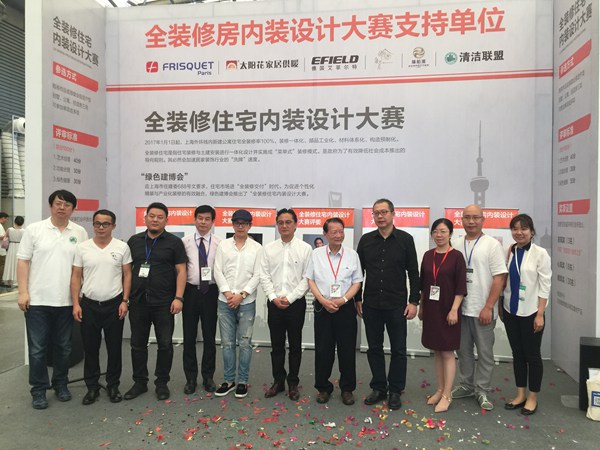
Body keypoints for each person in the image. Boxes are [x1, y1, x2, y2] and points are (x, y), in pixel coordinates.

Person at [17, 190, 88, 409]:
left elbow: (81, 267)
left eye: (67, 205)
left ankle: (60, 384)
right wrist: (22, 292)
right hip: (37, 300)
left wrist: (79, 298)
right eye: (58, 203)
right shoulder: (34, 229)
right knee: (37, 349)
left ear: (73, 209)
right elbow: (23, 261)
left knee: (64, 347)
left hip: (66, 301)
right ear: (50, 206)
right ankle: (38, 390)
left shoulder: (80, 232)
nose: (62, 208)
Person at [356, 199, 420, 410]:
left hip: (397, 304)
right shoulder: (366, 240)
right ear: (373, 216)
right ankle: (379, 387)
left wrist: (414, 301)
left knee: (398, 350)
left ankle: (395, 390)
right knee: (374, 348)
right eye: (377, 213)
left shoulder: (405, 240)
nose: (380, 216)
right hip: (372, 304)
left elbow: (414, 272)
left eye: (384, 212)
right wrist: (358, 299)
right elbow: (358, 273)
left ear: (393, 214)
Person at [124, 202, 187, 401]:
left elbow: (181, 271)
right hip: (138, 302)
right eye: (152, 216)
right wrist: (125, 299)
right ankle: (140, 382)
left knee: (165, 345)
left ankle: (162, 383)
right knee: (137, 344)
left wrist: (178, 297)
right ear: (145, 218)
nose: (155, 220)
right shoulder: (134, 241)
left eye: (160, 217)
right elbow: (126, 272)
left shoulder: (174, 243)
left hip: (164, 303)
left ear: (166, 220)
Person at [71, 209, 132, 405]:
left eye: (106, 224)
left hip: (114, 304)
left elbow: (127, 275)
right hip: (88, 304)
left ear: (113, 226)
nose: (101, 227)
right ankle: (92, 387)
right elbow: (76, 276)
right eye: (97, 223)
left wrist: (125, 301)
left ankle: (113, 385)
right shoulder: (82, 248)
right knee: (91, 348)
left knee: (114, 348)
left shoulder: (122, 247)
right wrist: (76, 303)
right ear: (93, 225)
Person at [452, 204, 507, 411]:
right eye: (467, 217)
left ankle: (482, 389)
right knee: (463, 351)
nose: (471, 221)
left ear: (483, 220)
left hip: (482, 309)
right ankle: (466, 385)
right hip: (461, 309)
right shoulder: (456, 243)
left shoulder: (492, 245)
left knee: (485, 352)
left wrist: (488, 306)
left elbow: (499, 278)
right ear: (461, 220)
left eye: (475, 217)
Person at [305, 217, 362, 406]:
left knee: (347, 349)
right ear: (325, 234)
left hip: (345, 308)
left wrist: (344, 299)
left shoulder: (352, 255)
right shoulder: (316, 254)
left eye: (341, 231)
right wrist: (323, 300)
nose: (338, 235)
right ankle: (323, 387)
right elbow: (310, 280)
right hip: (323, 307)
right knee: (323, 349)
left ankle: (347, 389)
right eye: (334, 232)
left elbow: (357, 282)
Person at [260, 208, 312, 401]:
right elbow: (264, 275)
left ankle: (293, 383)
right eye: (280, 222)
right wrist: (273, 297)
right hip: (274, 303)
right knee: (277, 345)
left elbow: (307, 278)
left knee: (295, 345)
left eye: (288, 222)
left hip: (295, 303)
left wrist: (290, 298)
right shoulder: (269, 248)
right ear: (277, 225)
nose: (284, 226)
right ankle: (278, 381)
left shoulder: (305, 249)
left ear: (295, 224)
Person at [502, 214, 551, 415]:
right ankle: (520, 393)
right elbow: (505, 280)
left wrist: (540, 314)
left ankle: (532, 397)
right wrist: (500, 306)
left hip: (532, 311)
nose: (519, 232)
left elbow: (545, 285)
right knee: (517, 354)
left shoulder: (540, 253)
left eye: (523, 228)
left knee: (532, 355)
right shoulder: (511, 250)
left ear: (531, 231)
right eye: (515, 229)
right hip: (510, 310)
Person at [418, 218, 467, 413]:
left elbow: (461, 287)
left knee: (447, 352)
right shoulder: (428, 255)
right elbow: (423, 285)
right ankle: (439, 390)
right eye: (436, 231)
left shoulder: (457, 257)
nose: (439, 235)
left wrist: (454, 309)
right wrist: (422, 307)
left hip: (449, 310)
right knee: (437, 351)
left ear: (450, 234)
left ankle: (447, 394)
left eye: (443, 231)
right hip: (431, 309)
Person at [213, 209, 262, 398]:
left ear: (250, 225)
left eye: (244, 223)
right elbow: (217, 270)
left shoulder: (257, 248)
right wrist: (228, 293)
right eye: (237, 223)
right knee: (227, 344)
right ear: (232, 224)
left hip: (246, 301)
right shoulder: (223, 245)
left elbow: (257, 275)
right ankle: (228, 380)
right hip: (224, 301)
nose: (240, 226)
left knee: (245, 343)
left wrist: (241, 295)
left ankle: (242, 381)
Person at [181, 205, 221, 394]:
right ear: (194, 219)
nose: (203, 222)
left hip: (210, 292)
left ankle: (208, 377)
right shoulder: (185, 242)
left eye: (207, 219)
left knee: (209, 337)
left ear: (213, 222)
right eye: (200, 218)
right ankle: (190, 378)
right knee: (189, 337)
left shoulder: (220, 243)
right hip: (190, 292)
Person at [2, 215, 25, 286]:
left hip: (11, 247)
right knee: (17, 264)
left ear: (15, 221)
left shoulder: (9, 229)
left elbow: (5, 237)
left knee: (10, 263)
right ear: (22, 223)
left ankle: (9, 280)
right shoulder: (24, 231)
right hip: (19, 248)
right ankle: (17, 280)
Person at [0, 211, 9, 282]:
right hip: (0, 249)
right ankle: (0, 280)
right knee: (2, 264)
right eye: (6, 219)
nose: (6, 220)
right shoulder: (0, 226)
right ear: (2, 218)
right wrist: (6, 236)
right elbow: (1, 237)